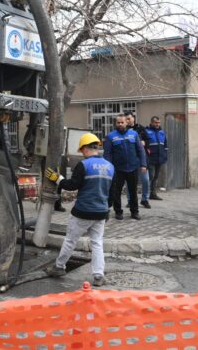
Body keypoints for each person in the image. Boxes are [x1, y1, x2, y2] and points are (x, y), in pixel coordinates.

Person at [44, 133, 114, 286]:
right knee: (97, 243)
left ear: (85, 148)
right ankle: (98, 276)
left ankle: (59, 267)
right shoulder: (110, 166)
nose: (82, 154)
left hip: (83, 211)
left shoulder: (84, 165)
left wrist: (58, 179)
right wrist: (106, 210)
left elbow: (72, 185)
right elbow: (112, 192)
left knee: (70, 241)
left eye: (82, 151)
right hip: (101, 212)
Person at [105, 115, 147, 220]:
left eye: (122, 122)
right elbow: (107, 154)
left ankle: (134, 212)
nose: (120, 124)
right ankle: (118, 212)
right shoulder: (111, 136)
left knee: (133, 191)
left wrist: (143, 164)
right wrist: (108, 168)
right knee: (116, 191)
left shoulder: (134, 134)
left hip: (132, 168)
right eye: (118, 123)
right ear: (116, 123)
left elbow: (140, 150)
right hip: (117, 169)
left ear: (126, 123)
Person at [125, 112, 152, 208]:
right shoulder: (124, 130)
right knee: (130, 181)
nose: (127, 121)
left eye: (129, 118)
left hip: (141, 159)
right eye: (126, 119)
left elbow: (148, 140)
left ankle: (144, 199)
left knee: (145, 180)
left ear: (133, 118)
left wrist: (145, 142)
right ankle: (130, 200)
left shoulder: (141, 128)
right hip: (130, 159)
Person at [145, 116, 168, 200]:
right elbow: (145, 145)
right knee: (150, 176)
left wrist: (165, 156)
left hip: (160, 158)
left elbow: (165, 145)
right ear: (151, 122)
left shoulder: (162, 132)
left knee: (156, 177)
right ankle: (146, 194)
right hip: (150, 158)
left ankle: (153, 194)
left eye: (158, 123)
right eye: (155, 122)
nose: (157, 124)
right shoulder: (146, 131)